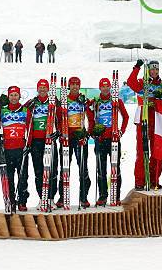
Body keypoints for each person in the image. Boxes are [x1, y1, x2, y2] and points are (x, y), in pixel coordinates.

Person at [0, 86, 30, 211]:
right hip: (7, 149)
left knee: (23, 176)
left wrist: (29, 144)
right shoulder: (2, 110)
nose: (14, 97)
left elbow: (30, 129)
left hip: (21, 148)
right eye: (11, 95)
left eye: (16, 95)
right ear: (8, 97)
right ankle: (11, 200)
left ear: (19, 96)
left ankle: (22, 201)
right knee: (9, 177)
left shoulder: (26, 110)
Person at [127, 59, 162, 189]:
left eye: (156, 69)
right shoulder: (142, 83)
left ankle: (154, 179)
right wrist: (137, 67)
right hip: (143, 117)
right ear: (148, 70)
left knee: (157, 151)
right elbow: (130, 82)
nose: (154, 71)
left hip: (157, 119)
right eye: (152, 69)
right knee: (142, 150)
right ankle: (140, 181)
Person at [91, 77, 129, 206]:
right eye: (103, 86)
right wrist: (93, 132)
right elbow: (89, 116)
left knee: (115, 169)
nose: (106, 88)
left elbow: (126, 116)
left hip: (114, 140)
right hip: (100, 140)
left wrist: (121, 132)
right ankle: (103, 196)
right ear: (100, 87)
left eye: (108, 86)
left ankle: (116, 196)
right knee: (101, 170)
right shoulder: (96, 101)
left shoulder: (116, 101)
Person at [56, 77, 92, 208]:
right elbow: (58, 119)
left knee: (83, 168)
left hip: (79, 137)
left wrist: (87, 133)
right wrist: (61, 132)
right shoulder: (64, 101)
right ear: (69, 86)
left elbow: (91, 118)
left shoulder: (83, 100)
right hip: (66, 138)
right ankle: (62, 197)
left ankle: (84, 197)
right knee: (65, 168)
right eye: (72, 85)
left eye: (77, 85)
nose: (75, 87)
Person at [24, 79, 58, 205]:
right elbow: (20, 112)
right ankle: (41, 198)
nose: (42, 90)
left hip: (50, 140)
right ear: (37, 89)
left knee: (52, 170)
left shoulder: (54, 102)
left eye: (45, 88)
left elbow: (61, 117)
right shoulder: (32, 103)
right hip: (36, 141)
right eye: (40, 88)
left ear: (48, 89)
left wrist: (58, 131)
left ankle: (51, 198)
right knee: (38, 170)